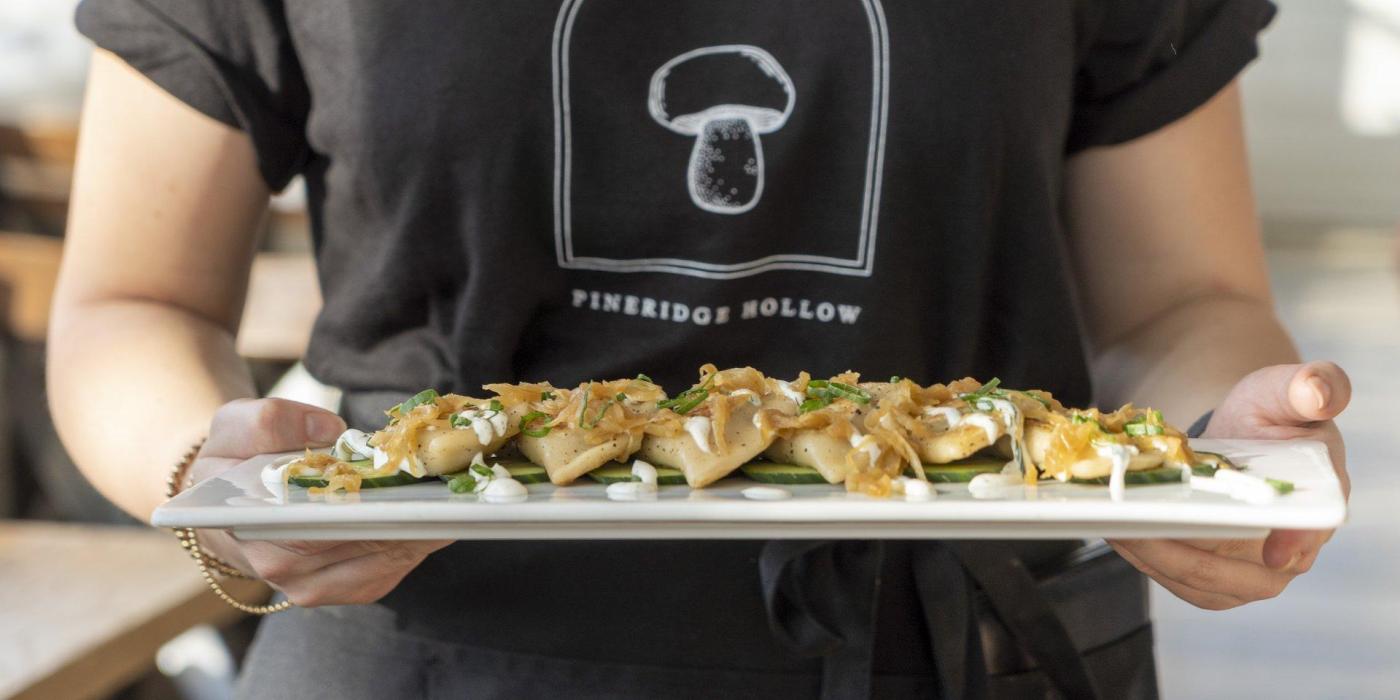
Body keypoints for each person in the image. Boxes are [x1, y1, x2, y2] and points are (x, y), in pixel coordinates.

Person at [51, 0, 1351, 697]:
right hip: (431, 650)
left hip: (961, 652)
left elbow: (1175, 303)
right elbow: (134, 302)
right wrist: (213, 483)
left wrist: (1216, 447)